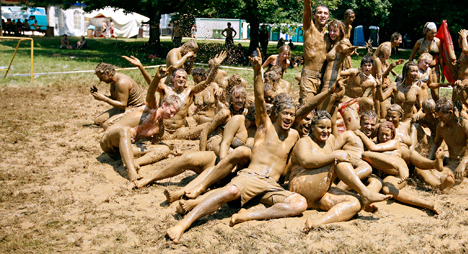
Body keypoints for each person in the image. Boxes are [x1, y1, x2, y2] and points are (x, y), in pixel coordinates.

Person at [165, 50, 308, 243]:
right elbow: (259, 97)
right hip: (252, 177)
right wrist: (258, 71)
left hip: (271, 185)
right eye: (286, 114)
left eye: (292, 115)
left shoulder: (294, 135)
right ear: (276, 114)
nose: (289, 118)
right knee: (231, 192)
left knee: (299, 203)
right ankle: (184, 224)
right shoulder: (265, 126)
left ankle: (248, 215)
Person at [288, 110, 390, 232]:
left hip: (320, 195)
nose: (325, 131)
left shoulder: (330, 140)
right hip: (302, 188)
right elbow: (306, 161)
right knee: (338, 159)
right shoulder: (304, 141)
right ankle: (365, 192)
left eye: (328, 128)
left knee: (355, 203)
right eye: (321, 127)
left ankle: (315, 223)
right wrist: (334, 155)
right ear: (312, 127)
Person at [99, 67, 183, 181]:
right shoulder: (151, 108)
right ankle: (131, 171)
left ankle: (135, 162)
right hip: (109, 141)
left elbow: (154, 144)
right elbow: (151, 91)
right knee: (125, 130)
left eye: (175, 114)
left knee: (164, 150)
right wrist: (158, 77)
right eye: (171, 112)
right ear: (163, 105)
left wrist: (172, 150)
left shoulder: (160, 127)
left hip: (124, 150)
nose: (171, 116)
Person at [429, 99, 468, 183]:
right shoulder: (441, 127)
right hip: (452, 164)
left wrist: (464, 163)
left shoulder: (464, 124)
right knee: (432, 174)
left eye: (441, 117)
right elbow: (436, 144)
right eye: (438, 117)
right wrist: (429, 161)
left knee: (443, 178)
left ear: (450, 113)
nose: (439, 119)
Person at [299, 0, 330, 103]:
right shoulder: (309, 28)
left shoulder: (330, 36)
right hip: (308, 77)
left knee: (320, 116)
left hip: (323, 79)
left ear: (328, 17)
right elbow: (307, 5)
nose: (322, 15)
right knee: (307, 110)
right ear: (314, 15)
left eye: (325, 13)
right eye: (319, 12)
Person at [91, 62, 146, 128]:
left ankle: (136, 120)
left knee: (107, 125)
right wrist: (99, 95)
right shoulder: (113, 81)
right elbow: (115, 99)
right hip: (125, 108)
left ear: (108, 73)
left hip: (135, 108)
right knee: (98, 121)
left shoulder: (121, 82)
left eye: (101, 78)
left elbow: (122, 105)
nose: (101, 80)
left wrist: (104, 99)